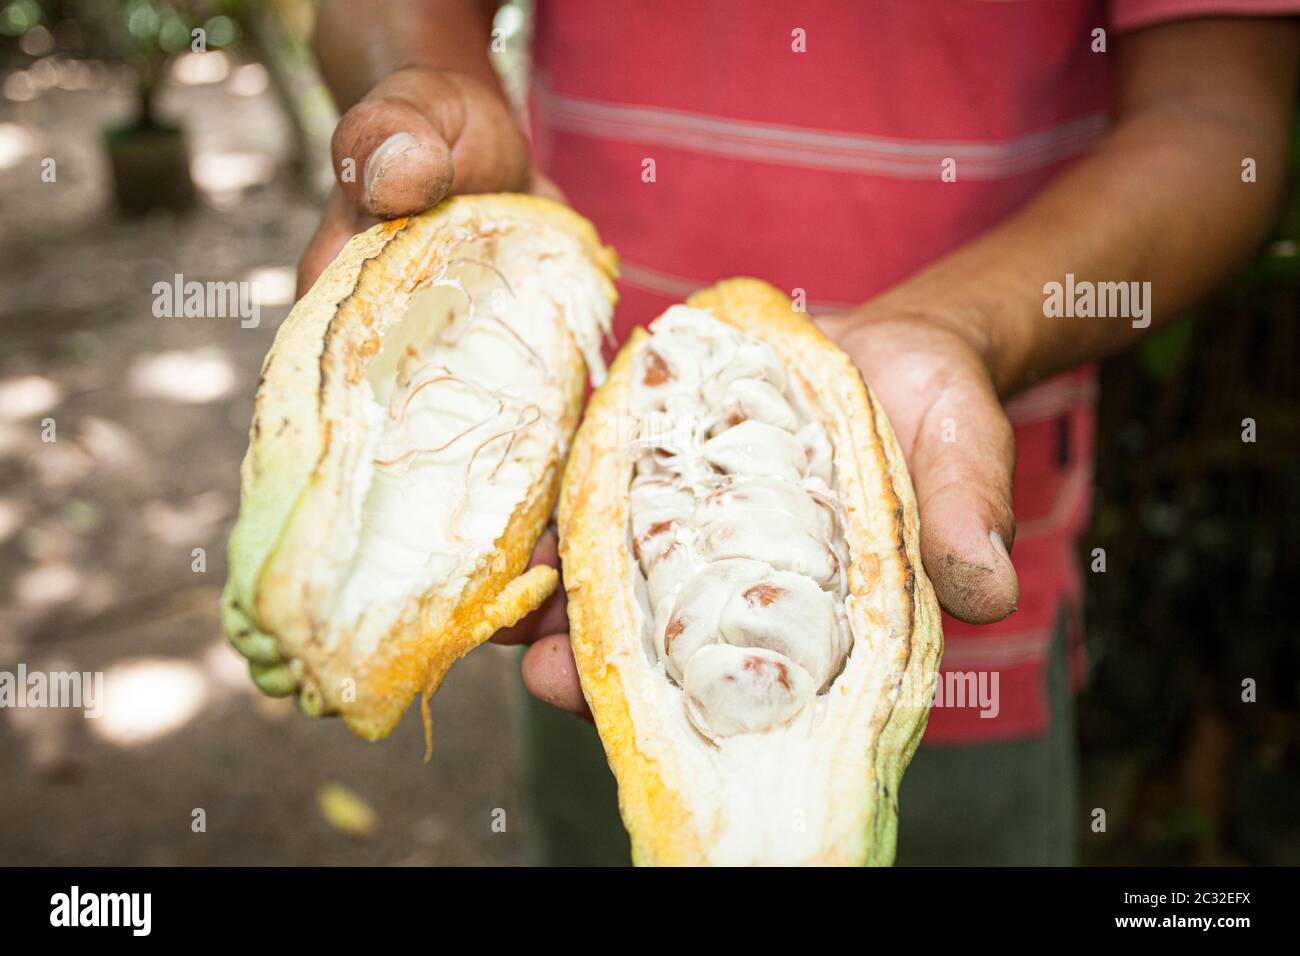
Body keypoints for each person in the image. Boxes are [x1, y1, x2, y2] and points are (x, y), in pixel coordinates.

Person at [298, 0, 1300, 865]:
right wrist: (420, 88)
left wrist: (962, 322)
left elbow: (1213, 117)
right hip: (582, 581)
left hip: (967, 626)